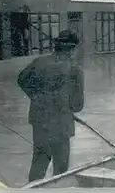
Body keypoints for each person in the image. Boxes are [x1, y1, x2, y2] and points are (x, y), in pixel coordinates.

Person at [17, 30, 84, 182]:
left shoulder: (39, 62)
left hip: (39, 120)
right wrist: (65, 106)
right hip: (61, 124)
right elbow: (78, 105)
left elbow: (21, 80)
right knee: (61, 167)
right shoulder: (75, 70)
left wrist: (35, 97)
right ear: (73, 49)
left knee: (39, 162)